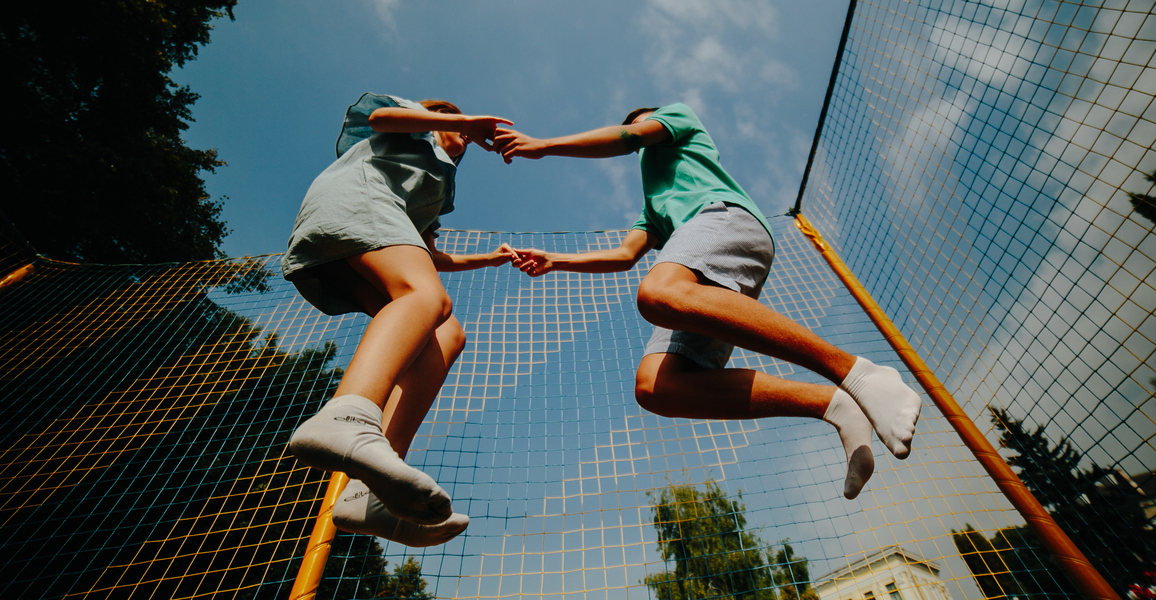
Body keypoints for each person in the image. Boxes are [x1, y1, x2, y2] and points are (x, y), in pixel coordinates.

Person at [493, 104, 921, 499]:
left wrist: (544, 145)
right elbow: (624, 256)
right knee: (658, 386)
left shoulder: (678, 119)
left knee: (660, 292)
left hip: (724, 220)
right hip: (700, 258)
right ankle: (836, 404)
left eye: (642, 122)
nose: (639, 131)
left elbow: (630, 138)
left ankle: (858, 373)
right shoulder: (654, 205)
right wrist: (556, 260)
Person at [282, 93, 517, 546]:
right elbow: (379, 117)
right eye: (458, 130)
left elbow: (426, 252)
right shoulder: (413, 127)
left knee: (446, 333)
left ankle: (366, 491)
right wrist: (466, 118)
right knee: (424, 296)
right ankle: (347, 415)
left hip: (363, 234)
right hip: (354, 205)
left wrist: (489, 258)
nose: (464, 141)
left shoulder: (440, 186)